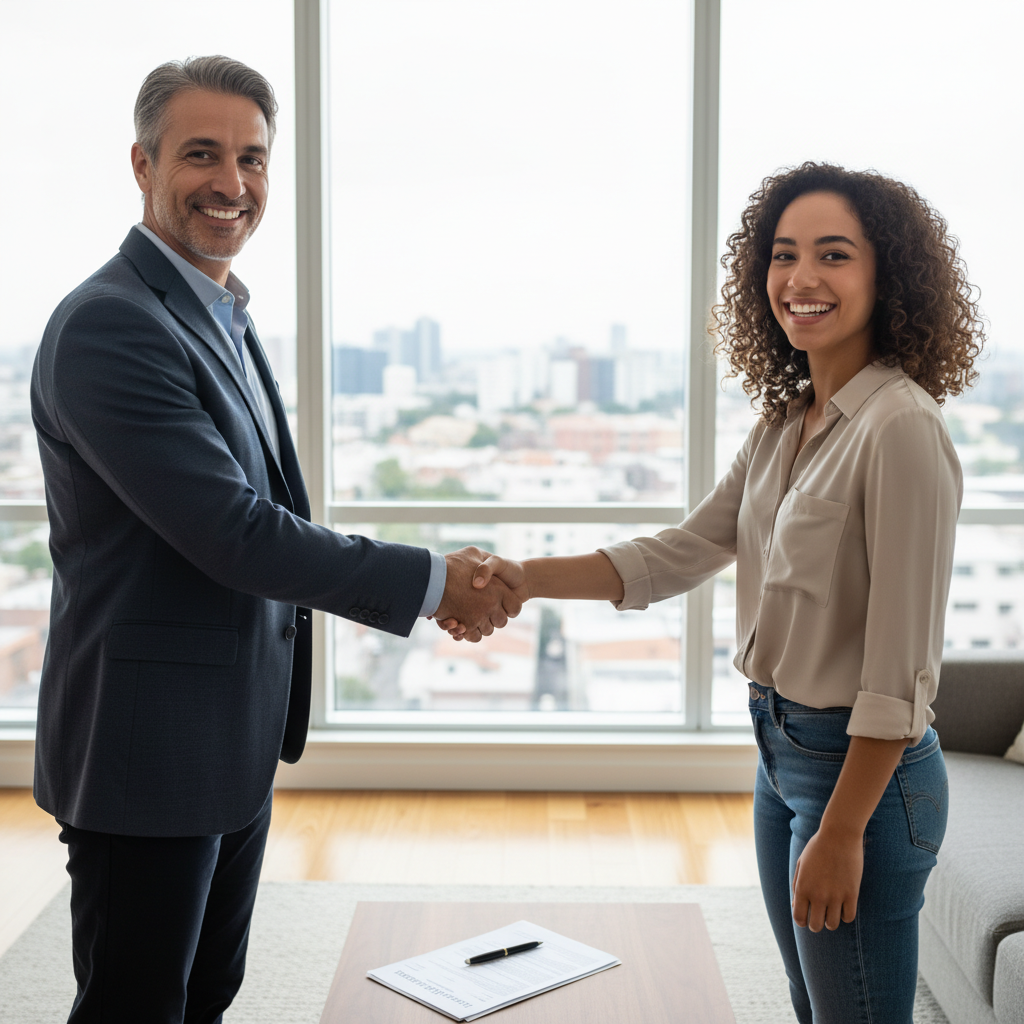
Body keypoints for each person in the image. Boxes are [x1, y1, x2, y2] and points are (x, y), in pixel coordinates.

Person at [31, 55, 517, 1023]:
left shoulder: (220, 310)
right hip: (148, 750)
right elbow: (237, 533)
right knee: (135, 1004)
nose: (232, 184)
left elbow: (267, 516)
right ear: (142, 163)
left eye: (252, 158)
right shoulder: (110, 326)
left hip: (228, 732)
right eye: (201, 154)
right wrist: (432, 580)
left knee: (206, 989)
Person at [440, 163, 984, 1022]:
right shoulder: (787, 421)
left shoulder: (902, 428)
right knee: (812, 1002)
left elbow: (900, 669)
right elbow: (685, 550)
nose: (801, 280)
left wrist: (842, 829)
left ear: (889, 277)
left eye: (834, 255)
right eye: (783, 254)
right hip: (779, 753)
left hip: (862, 784)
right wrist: (526, 580)